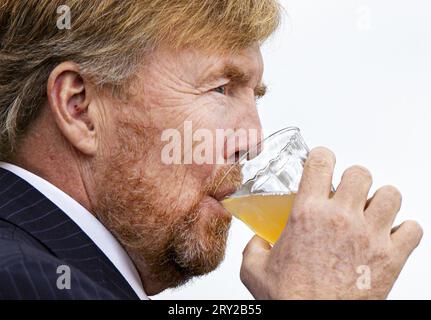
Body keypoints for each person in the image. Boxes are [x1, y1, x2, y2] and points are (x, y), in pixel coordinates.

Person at [0, 0, 422, 299]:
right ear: (80, 108)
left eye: (256, 95)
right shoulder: (25, 282)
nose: (253, 140)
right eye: (221, 88)